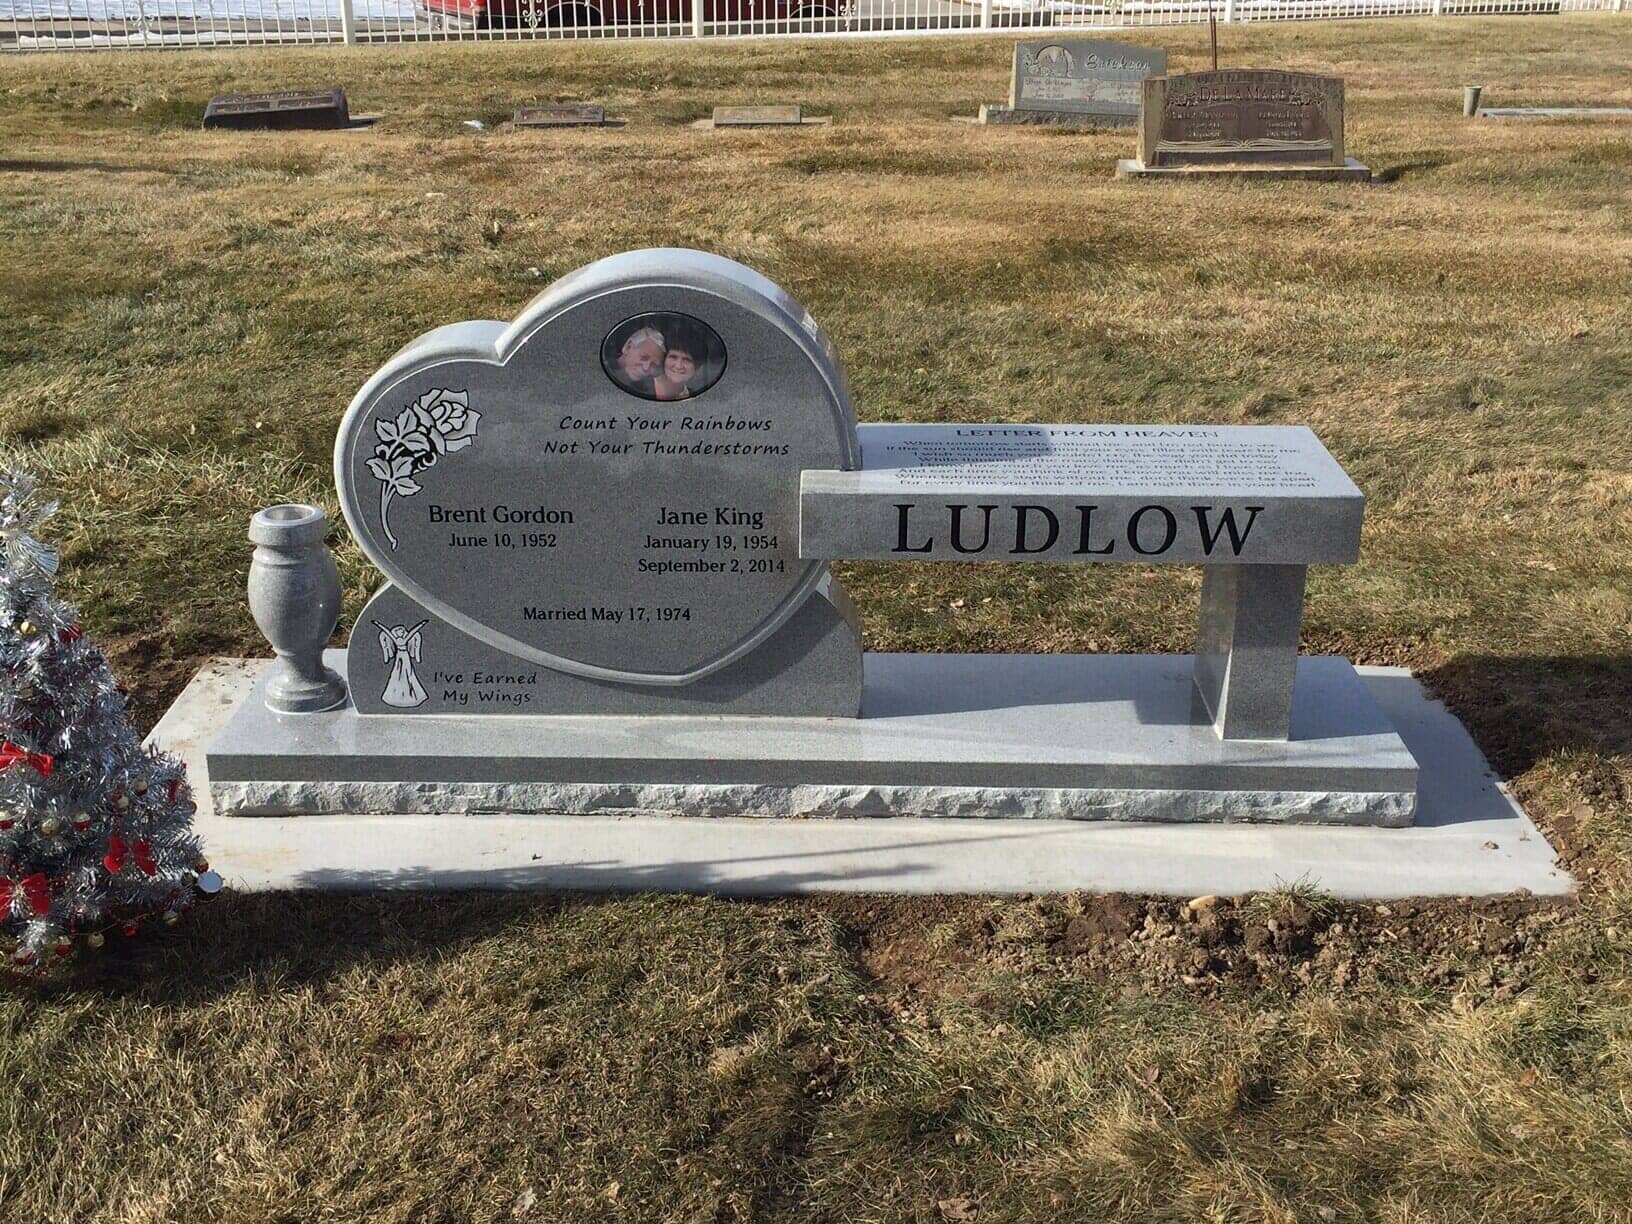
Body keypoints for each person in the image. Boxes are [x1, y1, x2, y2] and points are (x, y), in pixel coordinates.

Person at [615, 326, 665, 395]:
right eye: (643, 357)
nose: (646, 368)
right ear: (628, 347)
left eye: (654, 364)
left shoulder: (651, 391)